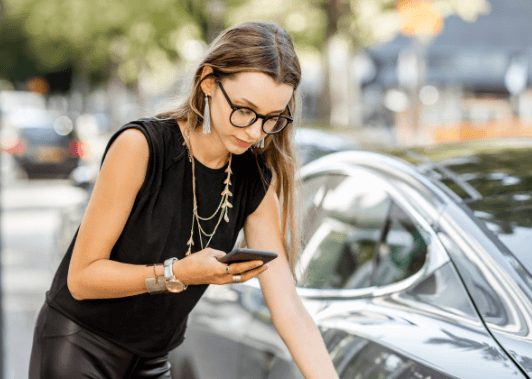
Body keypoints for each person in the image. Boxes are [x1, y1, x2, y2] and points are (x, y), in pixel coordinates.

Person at [29, 21, 339, 378]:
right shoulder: (141, 146)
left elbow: (288, 306)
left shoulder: (254, 178)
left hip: (153, 360)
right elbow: (81, 280)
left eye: (271, 119)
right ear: (208, 81)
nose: (254, 131)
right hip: (80, 348)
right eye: (244, 110)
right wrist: (177, 273)